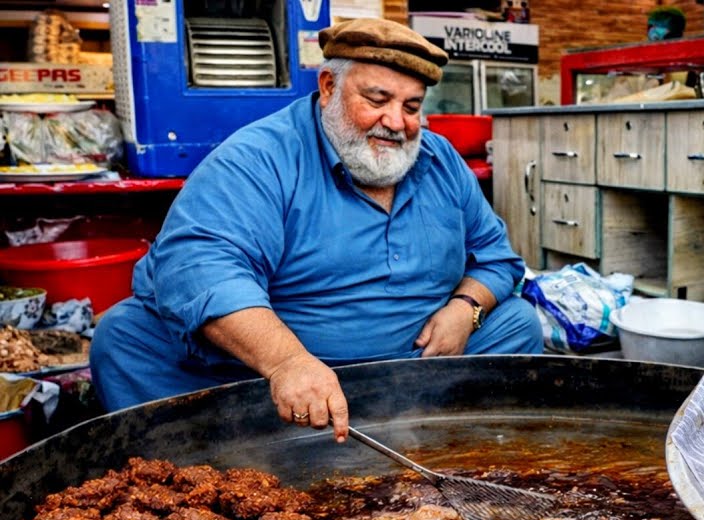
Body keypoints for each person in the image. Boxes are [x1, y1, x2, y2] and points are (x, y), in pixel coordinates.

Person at [90, 18, 542, 442]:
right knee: (126, 338)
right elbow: (203, 269)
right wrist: (286, 362)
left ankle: (435, 442)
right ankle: (253, 454)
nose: (396, 123)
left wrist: (467, 309)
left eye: (411, 107)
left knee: (517, 323)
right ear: (328, 87)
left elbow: (496, 257)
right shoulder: (259, 157)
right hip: (265, 377)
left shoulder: (440, 160)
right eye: (377, 100)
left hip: (416, 368)